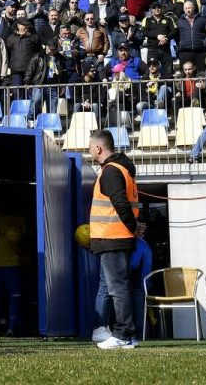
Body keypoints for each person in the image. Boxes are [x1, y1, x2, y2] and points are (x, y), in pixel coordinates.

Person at [88, 130, 139, 350]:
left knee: (117, 289)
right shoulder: (122, 169)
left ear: (98, 148)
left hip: (113, 236)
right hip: (116, 237)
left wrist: (133, 227)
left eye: (90, 147)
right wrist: (134, 227)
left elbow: (120, 203)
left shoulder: (110, 171)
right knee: (119, 287)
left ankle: (123, 334)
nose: (89, 150)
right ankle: (128, 335)